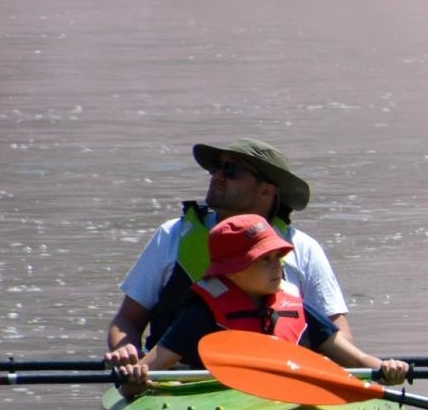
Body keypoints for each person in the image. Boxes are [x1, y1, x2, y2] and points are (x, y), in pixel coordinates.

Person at [105, 138, 352, 366]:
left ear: (267, 191)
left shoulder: (303, 248)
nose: (218, 177)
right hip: (174, 380)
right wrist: (125, 349)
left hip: (279, 380)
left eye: (231, 171)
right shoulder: (173, 235)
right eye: (217, 168)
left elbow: (336, 333)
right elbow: (128, 319)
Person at [115, 214, 406, 392]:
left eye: (277, 257)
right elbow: (145, 372)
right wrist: (135, 378)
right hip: (221, 401)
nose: (276, 266)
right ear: (229, 270)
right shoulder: (200, 317)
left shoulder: (299, 309)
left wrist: (385, 368)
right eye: (262, 259)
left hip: (292, 397)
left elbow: (356, 360)